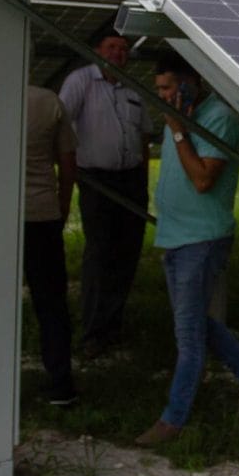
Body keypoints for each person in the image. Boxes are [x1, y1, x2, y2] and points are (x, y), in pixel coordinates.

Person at [134, 50, 239, 447]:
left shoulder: (219, 119)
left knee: (189, 336)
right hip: (176, 235)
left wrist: (178, 129)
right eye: (158, 88)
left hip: (202, 238)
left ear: (190, 80)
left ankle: (172, 421)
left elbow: (201, 180)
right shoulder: (174, 110)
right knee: (195, 321)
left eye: (167, 87)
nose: (161, 95)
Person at [59, 28, 155, 358]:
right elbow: (60, 124)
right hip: (96, 180)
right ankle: (92, 332)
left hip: (131, 181)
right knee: (99, 255)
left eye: (124, 49)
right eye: (112, 47)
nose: (118, 53)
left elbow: (144, 137)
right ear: (97, 50)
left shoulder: (134, 90)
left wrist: (143, 181)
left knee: (126, 255)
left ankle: (113, 326)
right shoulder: (81, 81)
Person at [23, 84, 80, 406]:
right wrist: (62, 204)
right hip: (42, 212)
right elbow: (68, 162)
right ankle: (60, 382)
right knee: (51, 301)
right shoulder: (49, 102)